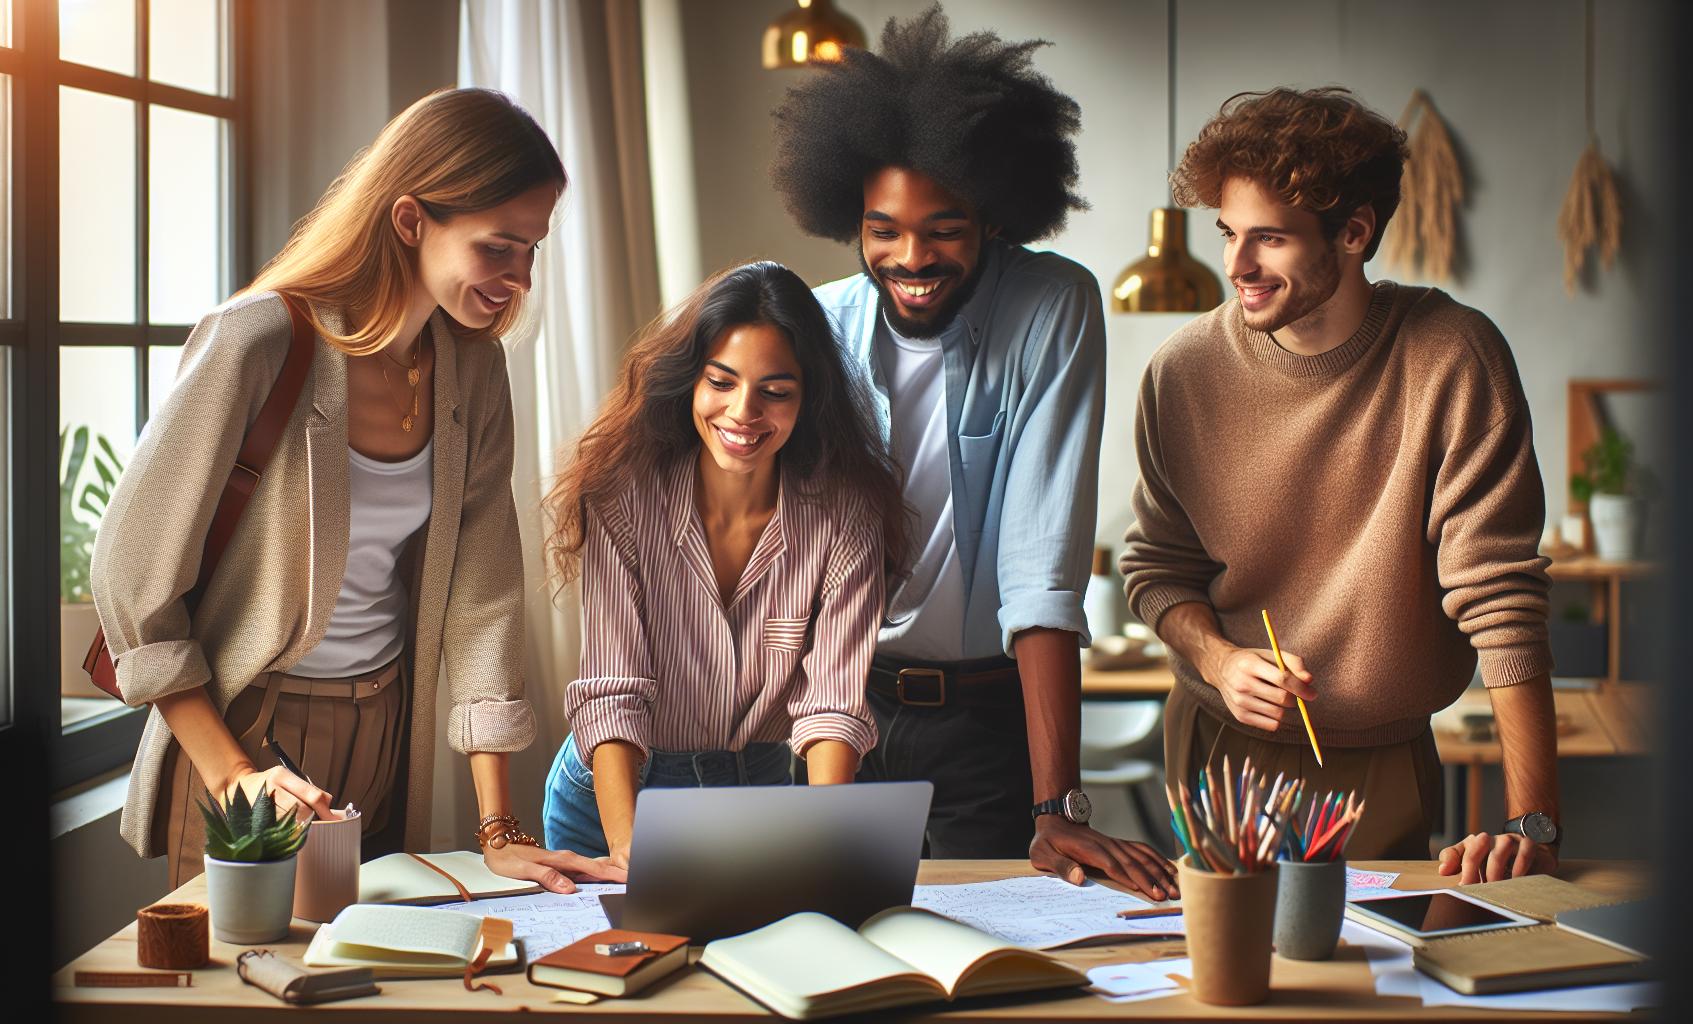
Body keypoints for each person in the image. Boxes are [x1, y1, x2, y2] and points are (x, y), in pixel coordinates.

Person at [93, 87, 604, 892]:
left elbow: (485, 594)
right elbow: (130, 577)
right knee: (253, 965)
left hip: (388, 727)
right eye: (498, 247)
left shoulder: (472, 369)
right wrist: (235, 776)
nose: (521, 278)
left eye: (532, 250)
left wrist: (498, 828)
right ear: (410, 221)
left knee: (368, 962)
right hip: (246, 734)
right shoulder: (260, 340)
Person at [770, 4, 1175, 900]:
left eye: (943, 227)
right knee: (833, 941)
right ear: (851, 218)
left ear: (992, 218)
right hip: (840, 712)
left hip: (985, 720)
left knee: (990, 949)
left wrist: (1058, 806)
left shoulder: (1051, 306)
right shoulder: (818, 324)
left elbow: (1041, 564)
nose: (911, 257)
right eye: (883, 229)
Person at [1120, 87, 1561, 882]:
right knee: (1218, 962)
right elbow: (1157, 570)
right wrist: (1219, 661)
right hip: (1219, 748)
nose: (1237, 266)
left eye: (1269, 238)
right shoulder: (1181, 372)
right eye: (1228, 233)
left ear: (1354, 232)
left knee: (1377, 961)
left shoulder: (1453, 357)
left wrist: (1532, 821)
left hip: (1381, 762)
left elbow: (1501, 599)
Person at [538, 262, 906, 877]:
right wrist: (629, 845)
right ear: (691, 380)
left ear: (808, 399)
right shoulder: (622, 497)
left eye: (775, 392)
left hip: (755, 792)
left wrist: (827, 838)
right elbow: (611, 691)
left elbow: (833, 705)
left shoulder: (848, 514)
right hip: (613, 797)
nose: (743, 412)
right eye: (721, 382)